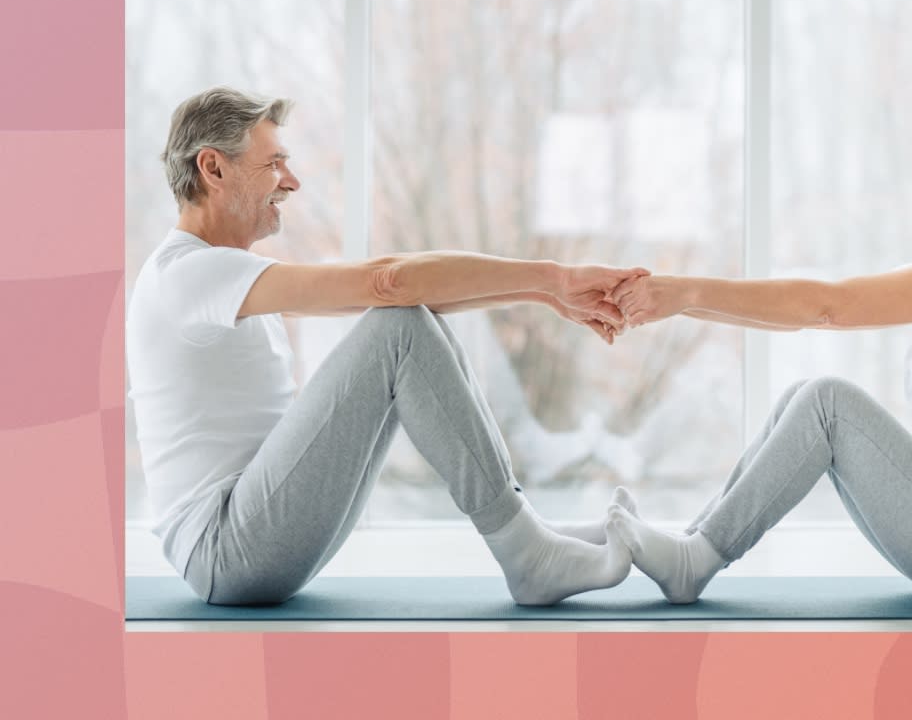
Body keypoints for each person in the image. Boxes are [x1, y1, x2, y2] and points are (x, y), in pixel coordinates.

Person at [128, 86, 645, 606]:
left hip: (251, 533)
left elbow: (407, 295)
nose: (292, 181)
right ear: (213, 169)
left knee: (414, 321)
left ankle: (527, 532)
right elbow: (388, 284)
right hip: (226, 550)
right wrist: (555, 277)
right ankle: (525, 552)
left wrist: (545, 291)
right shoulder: (189, 274)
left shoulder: (219, 277)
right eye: (274, 163)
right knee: (396, 326)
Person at [604, 118, 912, 605]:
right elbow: (809, 316)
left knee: (828, 403)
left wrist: (685, 291)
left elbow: (827, 306)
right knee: (801, 398)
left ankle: (694, 560)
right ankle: (692, 546)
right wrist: (678, 300)